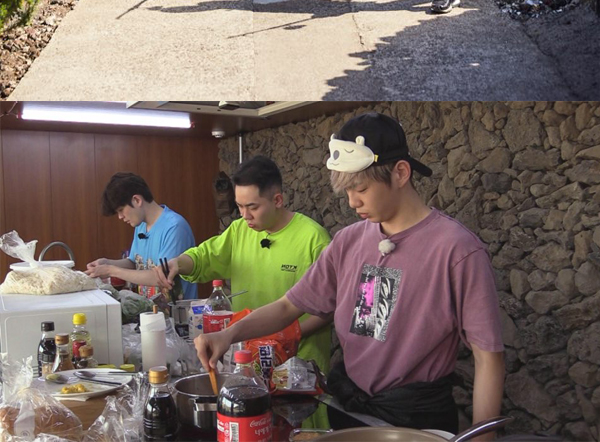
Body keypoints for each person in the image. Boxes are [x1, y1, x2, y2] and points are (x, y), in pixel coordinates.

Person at [195, 112, 505, 435]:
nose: (352, 201)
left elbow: (489, 359)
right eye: (346, 191)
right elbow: (289, 306)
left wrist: (482, 437)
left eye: (360, 188)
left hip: (416, 423)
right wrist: (228, 334)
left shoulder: (457, 251)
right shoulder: (349, 241)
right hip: (351, 413)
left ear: (400, 173)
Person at [130, 154, 332, 373]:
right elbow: (203, 257)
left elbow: (328, 308)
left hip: (299, 364)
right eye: (240, 206)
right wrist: (178, 263)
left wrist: (287, 335)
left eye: (252, 207)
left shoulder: (314, 239)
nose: (245, 216)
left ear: (277, 200)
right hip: (248, 357)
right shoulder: (239, 231)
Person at [86, 171, 197, 299]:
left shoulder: (175, 227)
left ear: (137, 200)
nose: (120, 217)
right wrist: (106, 263)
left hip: (177, 315)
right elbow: (134, 263)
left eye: (121, 210)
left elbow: (160, 277)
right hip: (149, 313)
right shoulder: (140, 226)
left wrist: (111, 270)